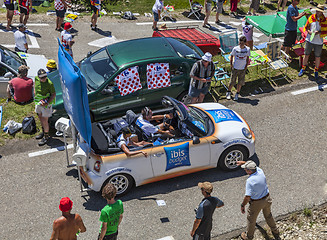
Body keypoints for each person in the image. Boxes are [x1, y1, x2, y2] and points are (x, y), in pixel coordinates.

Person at [237, 161, 280, 240]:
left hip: (257, 203)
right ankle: (276, 232)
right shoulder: (260, 171)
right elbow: (253, 164)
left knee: (251, 220)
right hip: (267, 199)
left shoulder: (250, 181)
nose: (245, 170)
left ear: (249, 171)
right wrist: (243, 163)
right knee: (268, 216)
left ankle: (248, 237)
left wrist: (242, 205)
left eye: (245, 169)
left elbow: (247, 196)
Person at [298, 5, 327, 80]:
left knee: (317, 57)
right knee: (306, 54)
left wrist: (319, 32)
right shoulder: (311, 17)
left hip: (319, 42)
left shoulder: (324, 20)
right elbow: (307, 27)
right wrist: (309, 32)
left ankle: (316, 70)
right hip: (309, 40)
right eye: (317, 10)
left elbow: (325, 30)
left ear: (321, 12)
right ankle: (303, 68)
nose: (317, 12)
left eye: (319, 11)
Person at [34, 69, 56, 146]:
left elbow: (53, 94)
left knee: (44, 120)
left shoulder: (49, 83)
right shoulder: (36, 79)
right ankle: (43, 132)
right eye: (42, 77)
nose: (44, 79)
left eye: (45, 77)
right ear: (38, 77)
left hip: (46, 104)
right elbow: (35, 87)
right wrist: (36, 95)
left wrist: (47, 102)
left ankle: (46, 137)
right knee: (40, 117)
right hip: (39, 102)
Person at [226, 36, 250, 101]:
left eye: (242, 43)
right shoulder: (235, 48)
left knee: (240, 82)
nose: (241, 44)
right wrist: (231, 64)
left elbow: (247, 58)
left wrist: (246, 66)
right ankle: (228, 92)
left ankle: (237, 93)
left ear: (245, 43)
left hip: (242, 68)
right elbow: (231, 56)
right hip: (235, 67)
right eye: (240, 42)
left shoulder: (247, 49)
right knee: (232, 81)